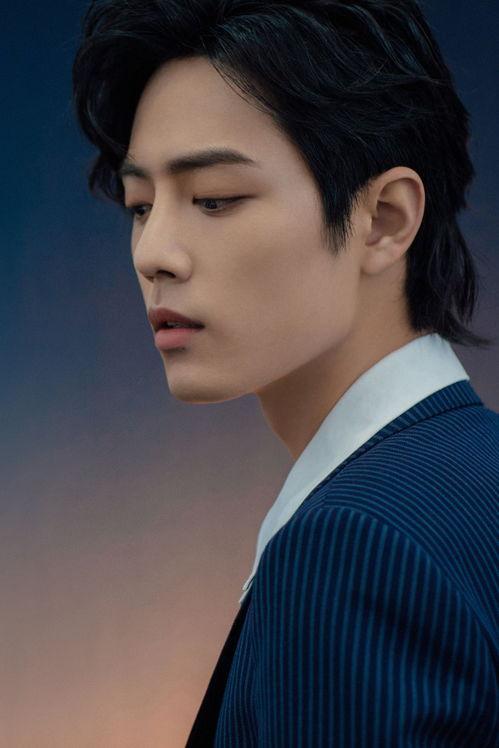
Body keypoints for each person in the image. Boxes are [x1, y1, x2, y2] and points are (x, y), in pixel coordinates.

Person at [71, 1, 498, 744]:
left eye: (214, 199)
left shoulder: (349, 544)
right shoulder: (476, 476)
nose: (153, 254)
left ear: (385, 218)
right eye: (140, 206)